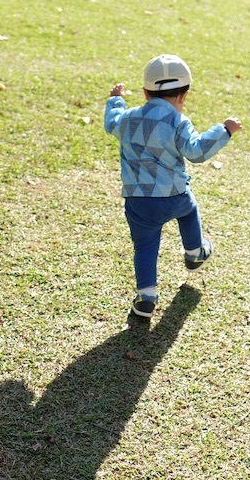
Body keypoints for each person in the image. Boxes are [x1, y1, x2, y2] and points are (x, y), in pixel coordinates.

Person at [104, 54, 242, 318]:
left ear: (145, 93)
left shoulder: (128, 119)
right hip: (174, 195)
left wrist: (116, 99)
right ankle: (194, 252)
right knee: (189, 212)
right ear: (184, 96)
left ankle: (146, 297)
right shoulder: (179, 122)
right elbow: (197, 152)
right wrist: (224, 130)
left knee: (145, 246)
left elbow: (112, 121)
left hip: (139, 200)